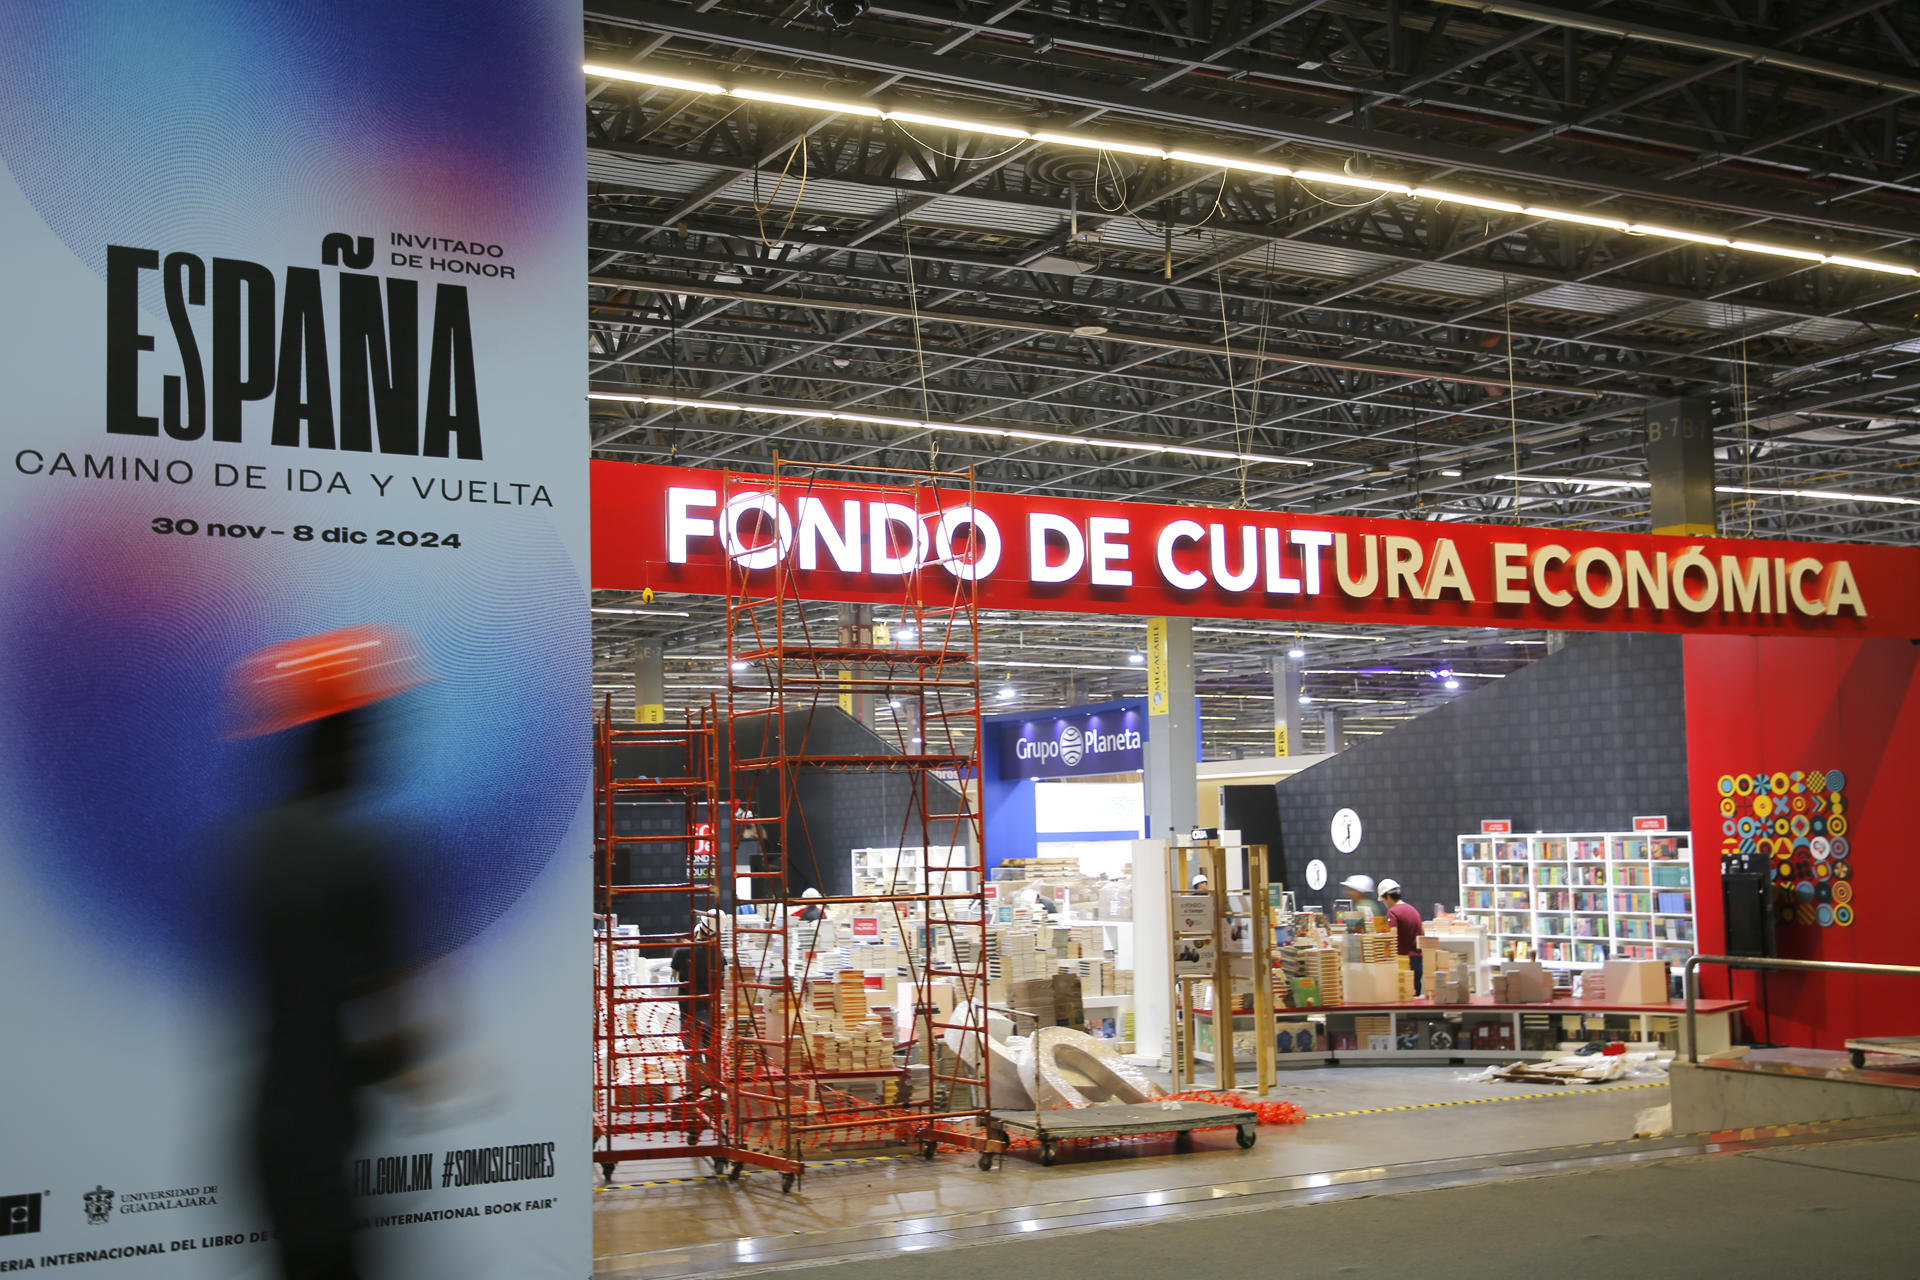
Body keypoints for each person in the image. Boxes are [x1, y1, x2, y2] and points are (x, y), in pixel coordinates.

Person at [230, 624, 432, 1280]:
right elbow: (391, 1035)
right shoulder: (357, 855)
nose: (380, 746)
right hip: (319, 1141)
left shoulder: (255, 846)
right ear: (340, 738)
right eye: (370, 729)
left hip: (267, 1125)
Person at [1379, 879, 1425, 996]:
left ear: (1388, 897)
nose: (1384, 904)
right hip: (1418, 960)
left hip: (1404, 961)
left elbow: (1393, 937)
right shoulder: (1413, 910)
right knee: (1415, 997)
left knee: (1404, 999)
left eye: (1383, 900)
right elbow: (1422, 933)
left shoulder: (1393, 912)